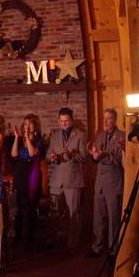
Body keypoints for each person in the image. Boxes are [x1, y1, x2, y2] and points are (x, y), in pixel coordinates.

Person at [47, 107, 87, 250]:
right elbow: (48, 155)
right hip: (57, 180)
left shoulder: (80, 135)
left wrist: (71, 155)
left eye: (66, 121)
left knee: (73, 213)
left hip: (73, 180)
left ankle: (72, 244)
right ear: (58, 121)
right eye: (61, 121)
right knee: (54, 212)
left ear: (72, 120)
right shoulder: (54, 135)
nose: (64, 123)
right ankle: (53, 240)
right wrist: (51, 158)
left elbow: (84, 157)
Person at [89, 108, 125, 256]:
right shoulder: (100, 135)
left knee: (113, 219)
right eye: (103, 118)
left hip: (114, 183)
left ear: (114, 120)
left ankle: (113, 250)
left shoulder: (121, 136)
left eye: (108, 118)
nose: (105, 121)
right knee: (98, 217)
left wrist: (103, 156)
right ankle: (96, 247)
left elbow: (119, 160)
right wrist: (93, 155)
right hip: (100, 183)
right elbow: (96, 156)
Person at [11, 114, 44, 247]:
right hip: (20, 172)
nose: (27, 126)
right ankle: (18, 236)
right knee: (20, 206)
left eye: (29, 124)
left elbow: (31, 153)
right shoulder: (20, 140)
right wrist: (18, 137)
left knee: (31, 206)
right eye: (25, 124)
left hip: (32, 174)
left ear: (34, 126)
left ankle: (29, 238)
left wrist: (28, 139)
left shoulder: (39, 140)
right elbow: (13, 154)